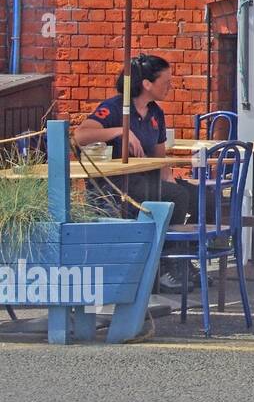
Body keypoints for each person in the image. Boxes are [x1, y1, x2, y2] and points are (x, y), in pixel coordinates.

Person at [74, 54, 200, 292]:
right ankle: (164, 266)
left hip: (148, 180)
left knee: (199, 195)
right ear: (147, 84)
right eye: (166, 81)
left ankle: (182, 259)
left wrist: (170, 179)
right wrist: (119, 130)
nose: (170, 86)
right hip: (118, 185)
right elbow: (81, 135)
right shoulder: (114, 108)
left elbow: (160, 156)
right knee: (178, 197)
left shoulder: (155, 113)